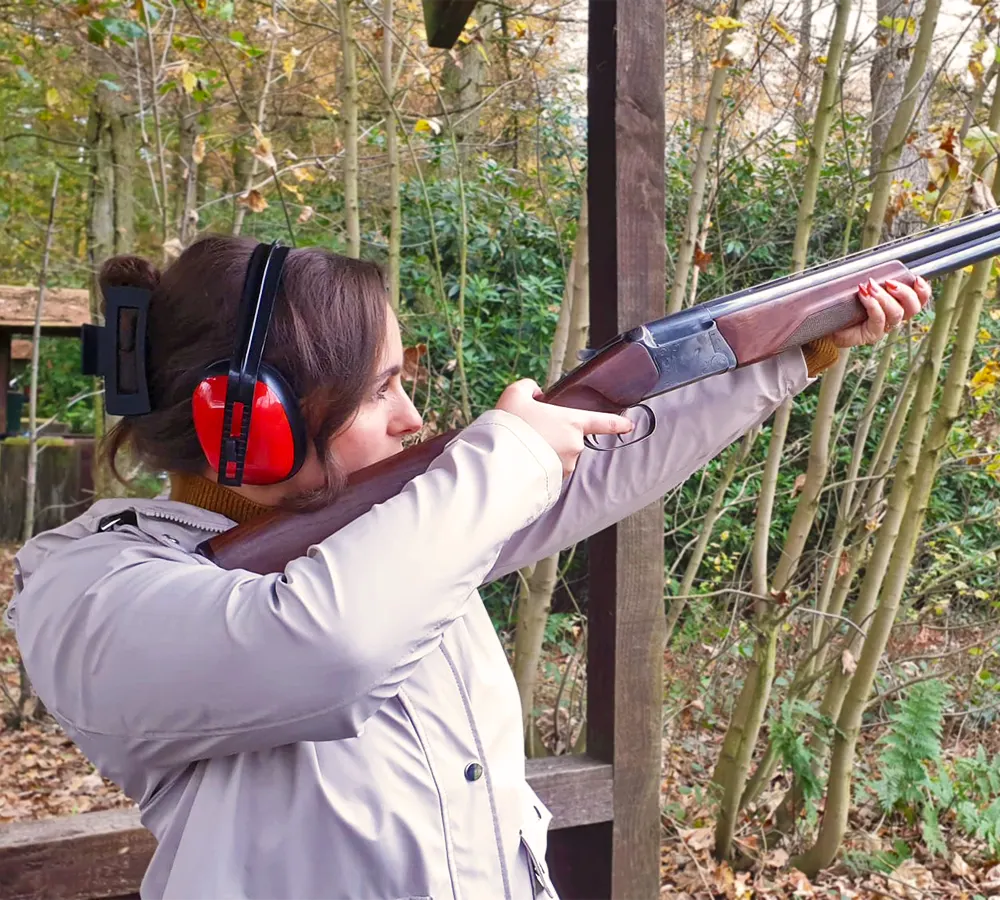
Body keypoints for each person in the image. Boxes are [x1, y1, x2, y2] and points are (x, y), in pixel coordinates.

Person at [4, 236, 930, 900]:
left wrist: (794, 352)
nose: (413, 417)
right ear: (248, 423)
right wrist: (506, 456)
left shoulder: (402, 524)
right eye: (382, 388)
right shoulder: (86, 589)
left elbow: (608, 454)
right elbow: (326, 646)